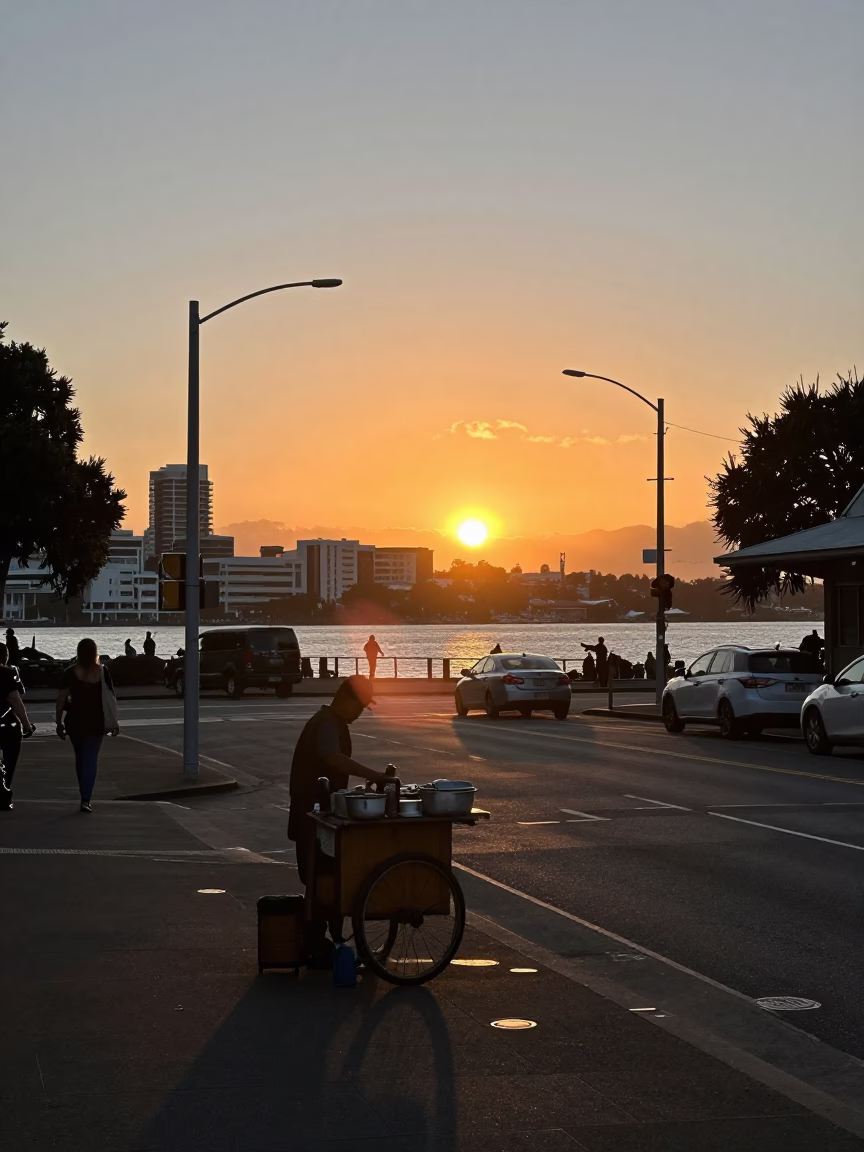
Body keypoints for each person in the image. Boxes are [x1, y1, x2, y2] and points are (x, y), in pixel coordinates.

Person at [288, 676, 389, 962]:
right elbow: (333, 757)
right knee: (320, 880)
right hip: (313, 816)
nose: (360, 714)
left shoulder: (331, 722)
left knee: (323, 879)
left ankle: (318, 942)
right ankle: (315, 943)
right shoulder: (326, 724)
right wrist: (374, 776)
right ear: (347, 699)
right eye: (359, 707)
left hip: (318, 815)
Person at [55, 638, 120, 813]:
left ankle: (83, 791)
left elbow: (61, 699)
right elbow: (110, 699)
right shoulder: (102, 671)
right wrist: (115, 721)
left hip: (75, 721)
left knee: (81, 756)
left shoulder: (70, 672)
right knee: (91, 758)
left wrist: (58, 722)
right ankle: (86, 798)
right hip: (96, 721)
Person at [0, 642, 35, 810]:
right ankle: (4, 792)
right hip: (7, 723)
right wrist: (27, 725)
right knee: (9, 760)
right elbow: (14, 699)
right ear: (5, 656)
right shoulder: (8, 673)